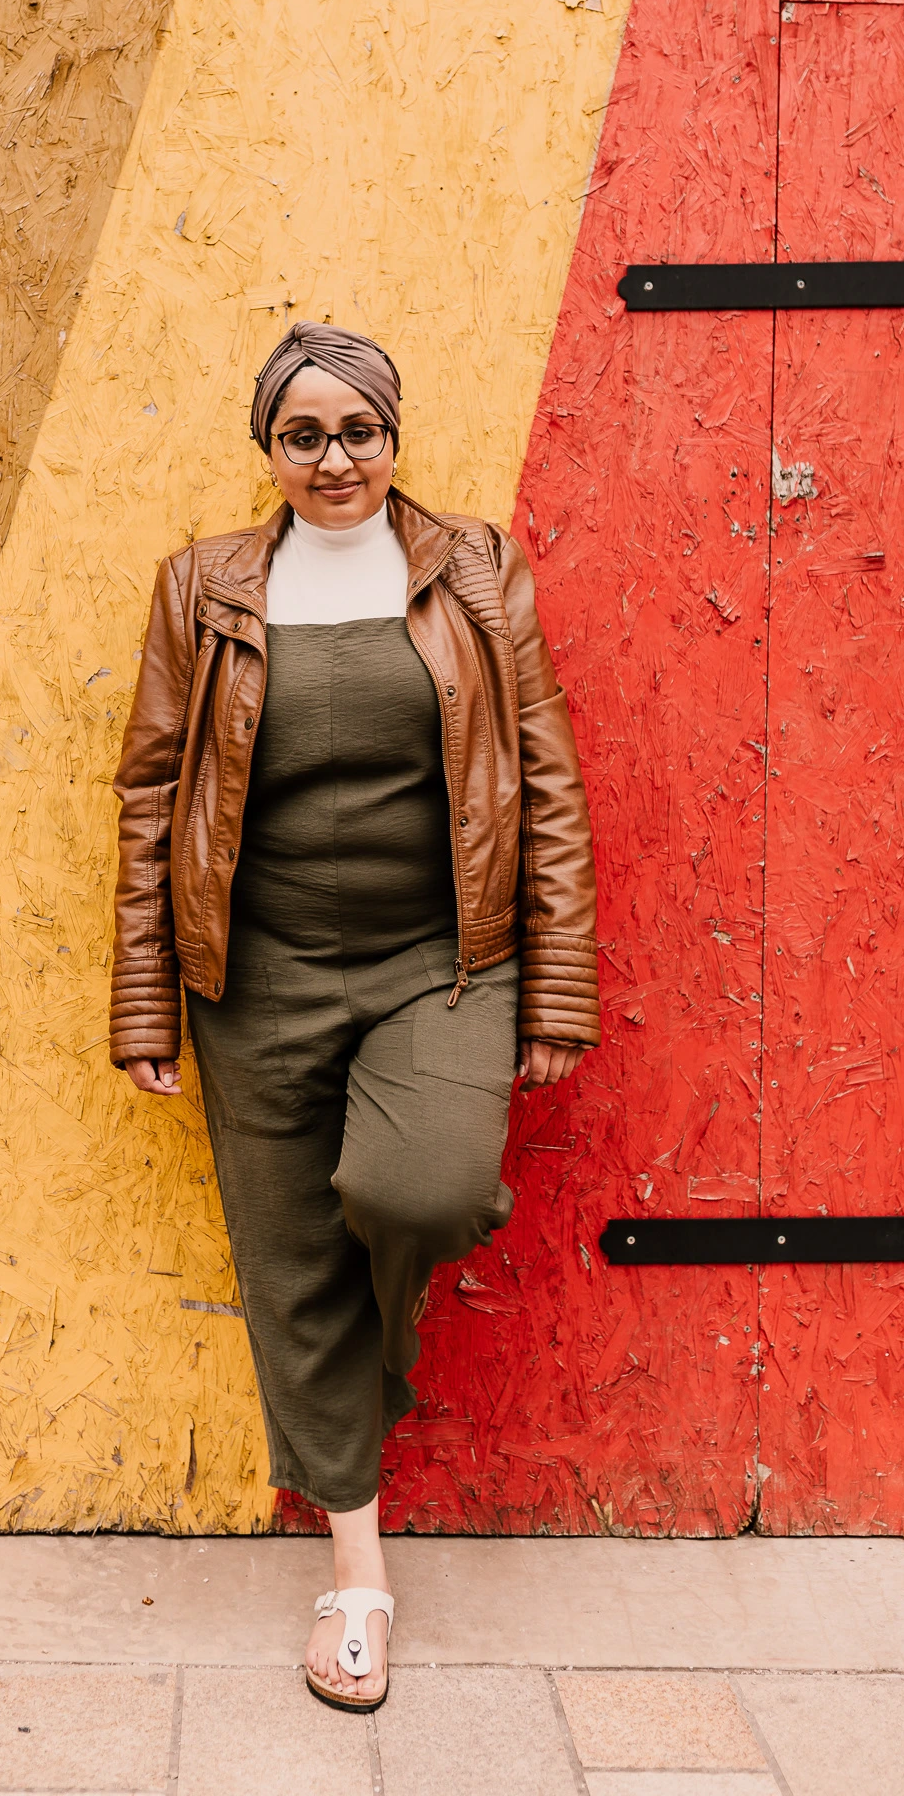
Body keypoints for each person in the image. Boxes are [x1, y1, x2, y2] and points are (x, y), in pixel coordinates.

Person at [110, 322, 599, 1710]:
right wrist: (145, 997)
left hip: (440, 963)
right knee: (291, 1268)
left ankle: (357, 1377)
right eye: (303, 436)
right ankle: (358, 1578)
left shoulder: (476, 571)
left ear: (393, 433)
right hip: (252, 980)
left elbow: (546, 783)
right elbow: (152, 796)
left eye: (359, 431)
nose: (335, 460)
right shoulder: (203, 587)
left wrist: (558, 982)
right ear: (268, 448)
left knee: (420, 1193)